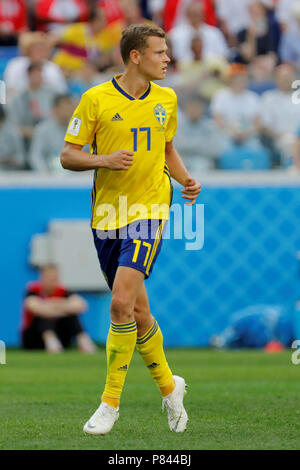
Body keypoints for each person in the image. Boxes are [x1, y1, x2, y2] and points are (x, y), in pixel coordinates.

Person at [60, 23, 201, 435]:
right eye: (160, 52)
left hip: (149, 211)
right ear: (135, 56)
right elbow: (68, 156)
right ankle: (170, 387)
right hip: (107, 216)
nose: (167, 59)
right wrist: (104, 160)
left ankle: (109, 404)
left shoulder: (168, 98)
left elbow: (167, 147)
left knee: (120, 304)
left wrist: (185, 179)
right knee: (138, 312)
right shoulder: (96, 99)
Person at [22, 264, 96, 353]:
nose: (52, 282)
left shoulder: (63, 291)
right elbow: (33, 307)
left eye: (54, 278)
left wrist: (54, 305)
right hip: (34, 339)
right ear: (42, 277)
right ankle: (52, 344)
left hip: (60, 335)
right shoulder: (33, 290)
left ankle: (84, 343)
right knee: (42, 317)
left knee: (72, 316)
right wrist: (62, 308)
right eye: (49, 278)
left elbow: (82, 305)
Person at [29, 94, 75, 171]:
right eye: (64, 107)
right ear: (55, 109)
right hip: (48, 175)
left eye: (69, 107)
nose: (68, 110)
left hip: (75, 176)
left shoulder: (79, 129)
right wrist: (45, 173)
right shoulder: (42, 129)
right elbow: (35, 156)